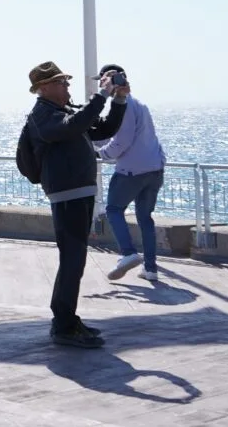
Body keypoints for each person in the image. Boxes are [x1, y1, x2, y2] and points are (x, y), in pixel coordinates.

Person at [21, 61, 127, 349]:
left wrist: (119, 98)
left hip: (78, 192)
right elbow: (76, 125)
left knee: (75, 259)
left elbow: (103, 129)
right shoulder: (42, 116)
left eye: (67, 82)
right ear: (44, 89)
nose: (68, 87)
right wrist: (101, 95)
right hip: (67, 195)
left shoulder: (62, 112)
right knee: (72, 259)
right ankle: (63, 324)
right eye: (62, 83)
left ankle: (67, 320)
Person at [95, 65, 167, 283]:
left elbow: (122, 141)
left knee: (113, 209)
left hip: (131, 171)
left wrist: (101, 154)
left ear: (113, 79)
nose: (101, 83)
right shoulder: (140, 105)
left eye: (104, 79)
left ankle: (128, 253)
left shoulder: (125, 106)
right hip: (154, 168)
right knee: (145, 218)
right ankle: (151, 268)